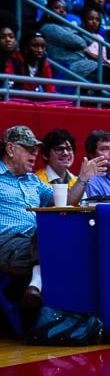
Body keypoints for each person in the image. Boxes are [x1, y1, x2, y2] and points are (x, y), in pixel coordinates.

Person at [0, 125, 54, 308]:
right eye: (29, 149)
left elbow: (64, 201)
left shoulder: (33, 180)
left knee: (54, 234)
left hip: (32, 242)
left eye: (36, 150)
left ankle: (35, 285)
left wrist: (83, 179)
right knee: (48, 241)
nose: (35, 154)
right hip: (6, 241)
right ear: (10, 149)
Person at [34, 128, 99, 206]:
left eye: (69, 149)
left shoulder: (76, 180)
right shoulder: (37, 180)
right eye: (59, 149)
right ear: (45, 155)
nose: (65, 153)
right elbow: (63, 205)